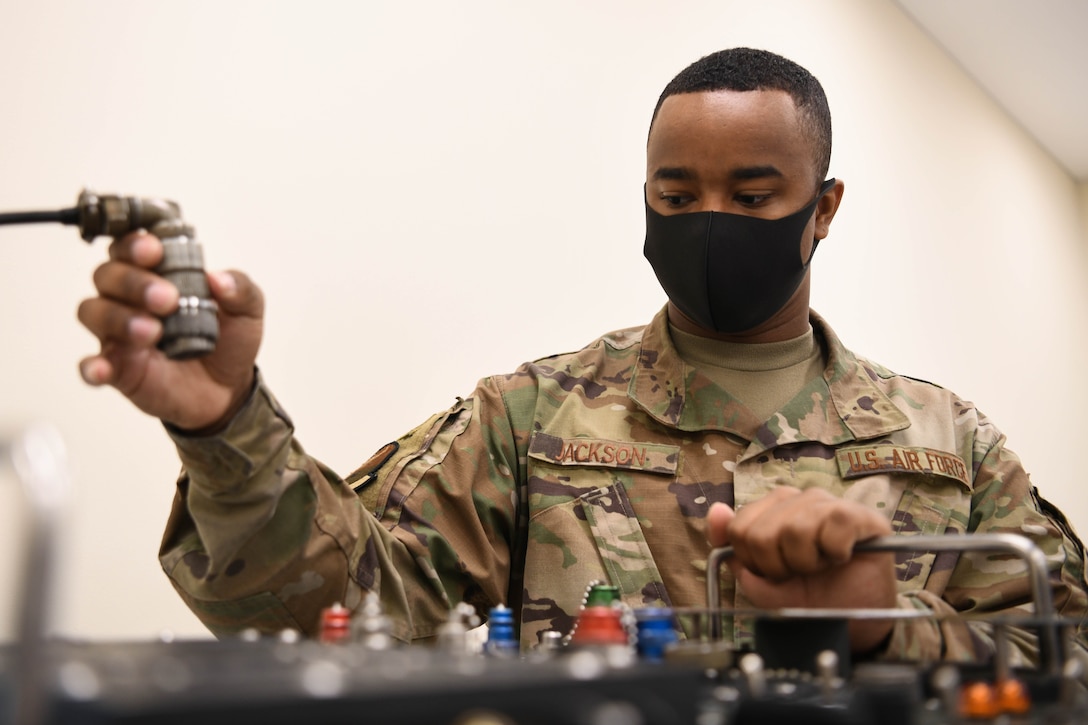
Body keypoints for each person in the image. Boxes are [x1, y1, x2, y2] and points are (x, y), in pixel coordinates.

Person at [77, 47, 1088, 664]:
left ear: (821, 209)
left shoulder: (946, 441)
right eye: (674, 195)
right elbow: (351, 620)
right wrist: (225, 424)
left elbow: (1065, 657)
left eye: (749, 194)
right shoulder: (531, 417)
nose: (706, 222)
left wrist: (882, 622)